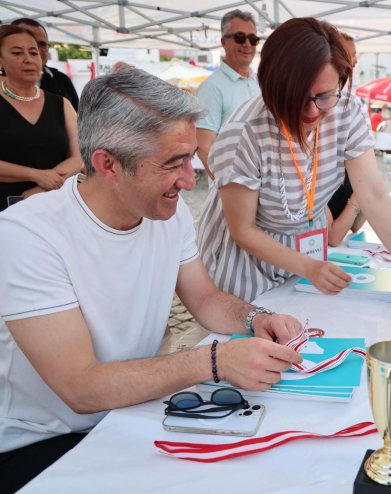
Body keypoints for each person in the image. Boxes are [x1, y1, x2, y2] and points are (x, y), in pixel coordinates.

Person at [0, 67, 304, 492]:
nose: (190, 178)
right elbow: (81, 389)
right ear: (107, 164)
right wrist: (213, 361)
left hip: (130, 415)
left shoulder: (169, 210)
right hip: (44, 442)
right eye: (172, 163)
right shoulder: (27, 234)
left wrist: (257, 317)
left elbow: (205, 299)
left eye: (191, 157)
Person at [197, 17, 391, 309]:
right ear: (273, 87)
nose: (311, 111)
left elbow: (372, 193)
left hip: (305, 254)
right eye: (298, 97)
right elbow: (243, 229)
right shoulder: (244, 132)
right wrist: (307, 267)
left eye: (324, 96)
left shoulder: (347, 110)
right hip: (246, 263)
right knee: (254, 336)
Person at [0, 25, 82, 212]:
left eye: (33, 52)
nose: (28, 59)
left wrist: (42, 187)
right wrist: (36, 175)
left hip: (55, 204)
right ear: (1, 61)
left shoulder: (61, 103)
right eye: (17, 53)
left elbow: (79, 157)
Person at [195, 10, 261, 179]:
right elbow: (204, 147)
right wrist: (227, 186)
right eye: (240, 37)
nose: (247, 44)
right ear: (223, 42)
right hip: (233, 189)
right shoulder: (211, 87)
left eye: (253, 39)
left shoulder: (260, 82)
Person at [325, 31, 366, 247]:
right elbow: (332, 237)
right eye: (350, 54)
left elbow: (357, 225)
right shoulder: (322, 170)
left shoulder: (351, 169)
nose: (355, 60)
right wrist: (358, 199)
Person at [9, 18, 79, 111]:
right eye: (27, 43)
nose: (35, 49)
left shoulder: (62, 80)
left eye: (42, 44)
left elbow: (79, 120)